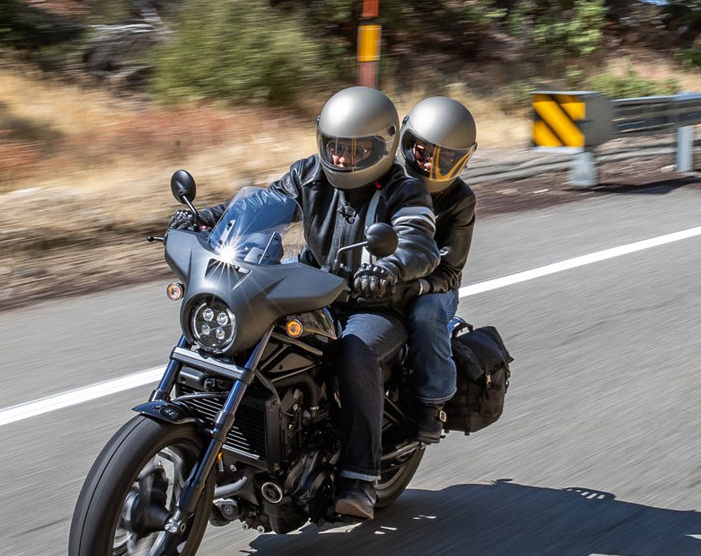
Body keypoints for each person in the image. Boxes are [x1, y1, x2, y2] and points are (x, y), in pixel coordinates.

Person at [175, 85, 439, 521]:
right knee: (245, 337)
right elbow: (264, 204)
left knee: (353, 353)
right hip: (312, 289)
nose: (339, 158)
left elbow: (419, 242)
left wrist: (391, 267)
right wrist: (208, 217)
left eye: (355, 149)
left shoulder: (404, 190)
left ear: (384, 146)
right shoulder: (308, 174)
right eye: (334, 146)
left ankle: (359, 476)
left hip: (373, 305)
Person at [394, 96, 478, 444]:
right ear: (406, 141)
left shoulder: (460, 199)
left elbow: (450, 268)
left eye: (443, 157)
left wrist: (419, 287)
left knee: (426, 316)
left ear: (460, 160)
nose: (428, 161)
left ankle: (433, 401)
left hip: (433, 286)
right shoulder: (386, 178)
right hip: (377, 273)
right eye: (422, 149)